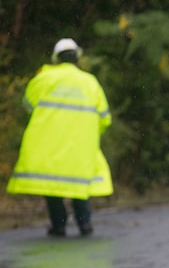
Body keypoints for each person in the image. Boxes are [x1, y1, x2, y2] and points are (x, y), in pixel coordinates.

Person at [7, 38, 113, 236]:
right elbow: (105, 118)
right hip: (81, 146)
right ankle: (84, 224)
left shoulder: (44, 79)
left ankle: (59, 225)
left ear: (56, 58)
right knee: (80, 187)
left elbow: (28, 105)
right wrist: (90, 134)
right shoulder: (90, 83)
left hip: (50, 145)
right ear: (77, 57)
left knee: (53, 187)